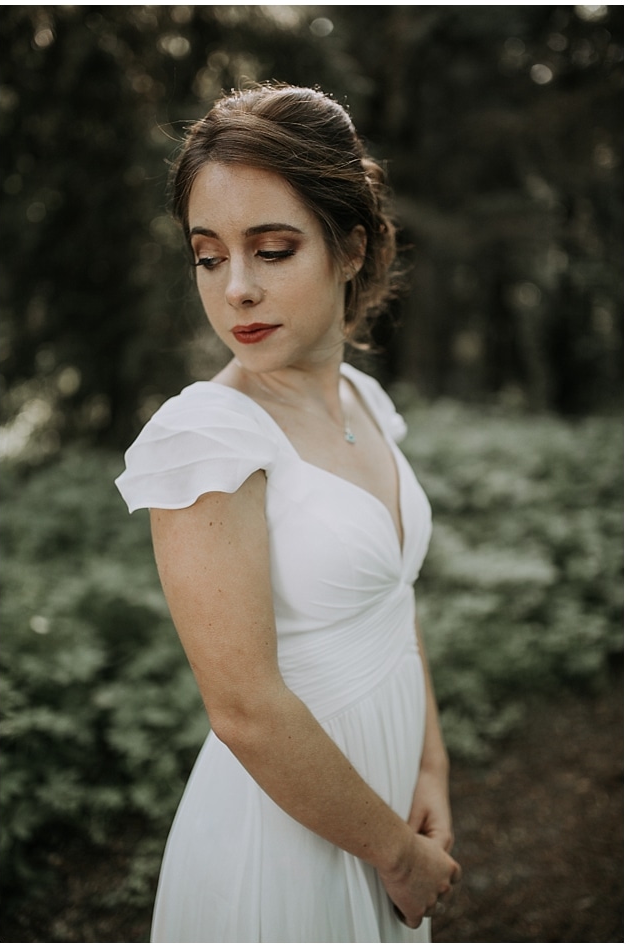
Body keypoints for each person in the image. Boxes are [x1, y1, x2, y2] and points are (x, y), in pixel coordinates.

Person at [114, 83, 461, 941]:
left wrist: (430, 766)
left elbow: (394, 607)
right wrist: (398, 857)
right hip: (282, 840)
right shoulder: (206, 440)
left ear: (351, 247)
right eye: (208, 255)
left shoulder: (365, 401)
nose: (235, 288)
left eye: (271, 250)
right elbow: (246, 711)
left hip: (388, 797)